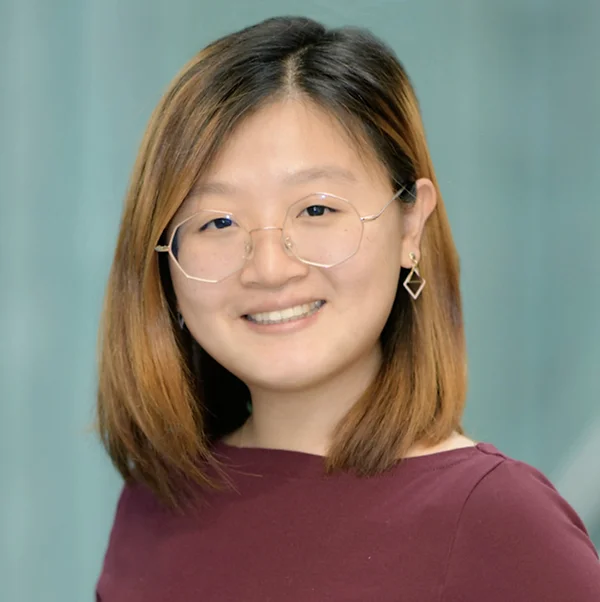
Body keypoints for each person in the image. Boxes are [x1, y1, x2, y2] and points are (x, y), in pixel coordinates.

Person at [95, 16, 600, 601]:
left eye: (316, 210)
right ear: (165, 260)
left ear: (411, 225)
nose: (269, 267)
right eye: (219, 222)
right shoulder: (156, 501)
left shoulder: (499, 522)